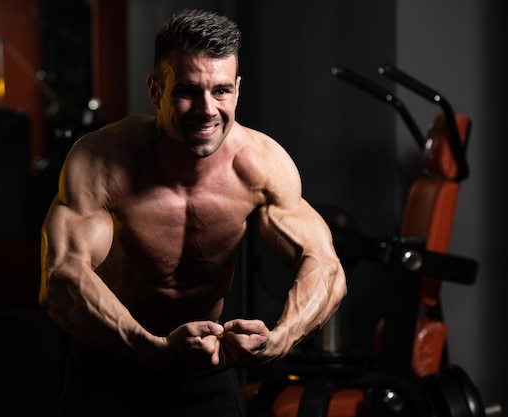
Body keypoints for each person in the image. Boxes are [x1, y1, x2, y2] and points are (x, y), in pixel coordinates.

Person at [40, 8, 347, 417]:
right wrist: (150, 347)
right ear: (155, 91)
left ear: (237, 89)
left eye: (221, 91)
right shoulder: (101, 161)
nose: (207, 109)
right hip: (111, 365)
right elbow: (60, 278)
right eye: (187, 91)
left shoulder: (262, 165)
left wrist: (279, 340)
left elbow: (326, 268)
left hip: (203, 371)